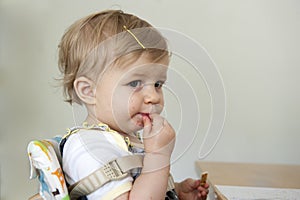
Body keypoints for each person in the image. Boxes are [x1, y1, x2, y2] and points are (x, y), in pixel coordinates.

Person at [57, 9, 209, 199]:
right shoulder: (88, 148)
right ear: (89, 91)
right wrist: (158, 156)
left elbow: (140, 187)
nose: (153, 96)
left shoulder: (125, 141)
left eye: (158, 84)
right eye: (135, 83)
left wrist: (176, 190)